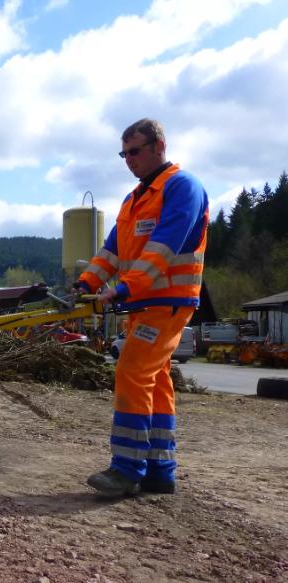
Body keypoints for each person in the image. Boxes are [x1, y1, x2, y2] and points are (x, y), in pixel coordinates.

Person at [75, 118, 209, 497]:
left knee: (131, 372)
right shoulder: (133, 200)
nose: (128, 160)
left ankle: (126, 469)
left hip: (166, 303)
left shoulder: (182, 187)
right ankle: (158, 470)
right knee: (156, 380)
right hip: (142, 305)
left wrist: (123, 288)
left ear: (159, 146)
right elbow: (112, 252)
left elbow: (164, 248)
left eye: (134, 151)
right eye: (124, 154)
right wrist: (86, 283)